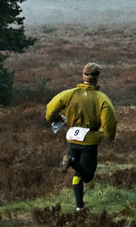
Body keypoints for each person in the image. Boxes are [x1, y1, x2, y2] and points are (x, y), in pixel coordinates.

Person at [45, 62, 117, 213]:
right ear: (97, 78)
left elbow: (50, 109)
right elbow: (109, 121)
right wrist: (109, 136)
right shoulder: (102, 99)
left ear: (83, 76)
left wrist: (57, 119)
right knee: (88, 175)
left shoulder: (69, 94)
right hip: (89, 140)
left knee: (78, 172)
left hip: (72, 138)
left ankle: (79, 207)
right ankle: (70, 161)